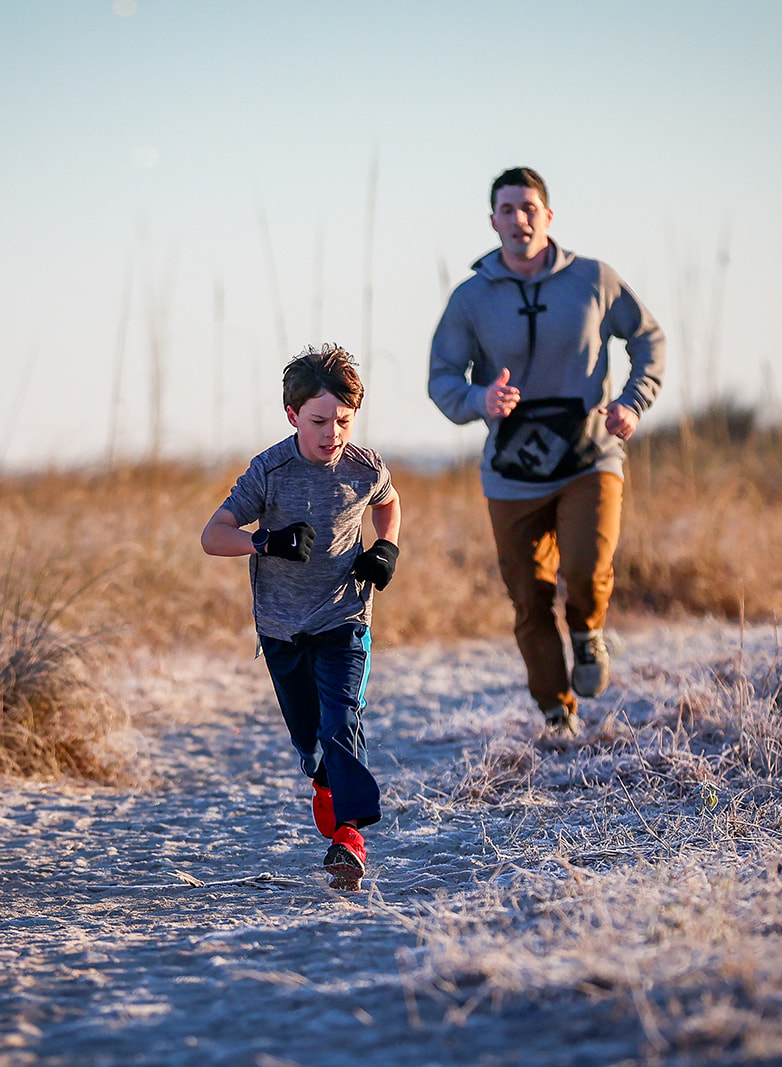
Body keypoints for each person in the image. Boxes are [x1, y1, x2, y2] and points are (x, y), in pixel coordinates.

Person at [428, 167, 665, 732]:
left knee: (586, 570)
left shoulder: (592, 279)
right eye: (507, 210)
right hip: (512, 471)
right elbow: (441, 378)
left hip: (590, 454)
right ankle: (557, 712)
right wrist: (479, 398)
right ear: (493, 221)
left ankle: (587, 634)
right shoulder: (470, 299)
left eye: (529, 208)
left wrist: (633, 401)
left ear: (549, 216)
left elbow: (647, 338)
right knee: (531, 601)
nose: (519, 220)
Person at [201, 344, 401, 886]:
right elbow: (212, 537)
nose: (331, 432)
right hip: (283, 630)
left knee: (341, 724)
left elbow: (387, 501)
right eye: (318, 421)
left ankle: (350, 838)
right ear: (292, 416)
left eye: (343, 419)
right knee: (311, 743)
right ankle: (323, 783)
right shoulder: (270, 470)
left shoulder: (364, 466)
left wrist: (386, 547)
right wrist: (265, 540)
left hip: (344, 619)